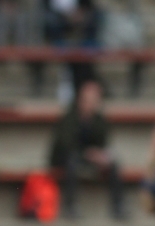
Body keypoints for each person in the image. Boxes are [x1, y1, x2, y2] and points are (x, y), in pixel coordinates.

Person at [49, 79, 126, 221]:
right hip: (64, 157)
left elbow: (103, 142)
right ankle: (70, 206)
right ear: (80, 100)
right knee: (72, 162)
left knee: (113, 162)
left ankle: (118, 206)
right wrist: (87, 153)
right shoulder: (69, 118)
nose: (91, 104)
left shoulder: (99, 120)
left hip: (88, 158)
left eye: (95, 100)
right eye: (88, 100)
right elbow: (66, 144)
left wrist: (100, 155)